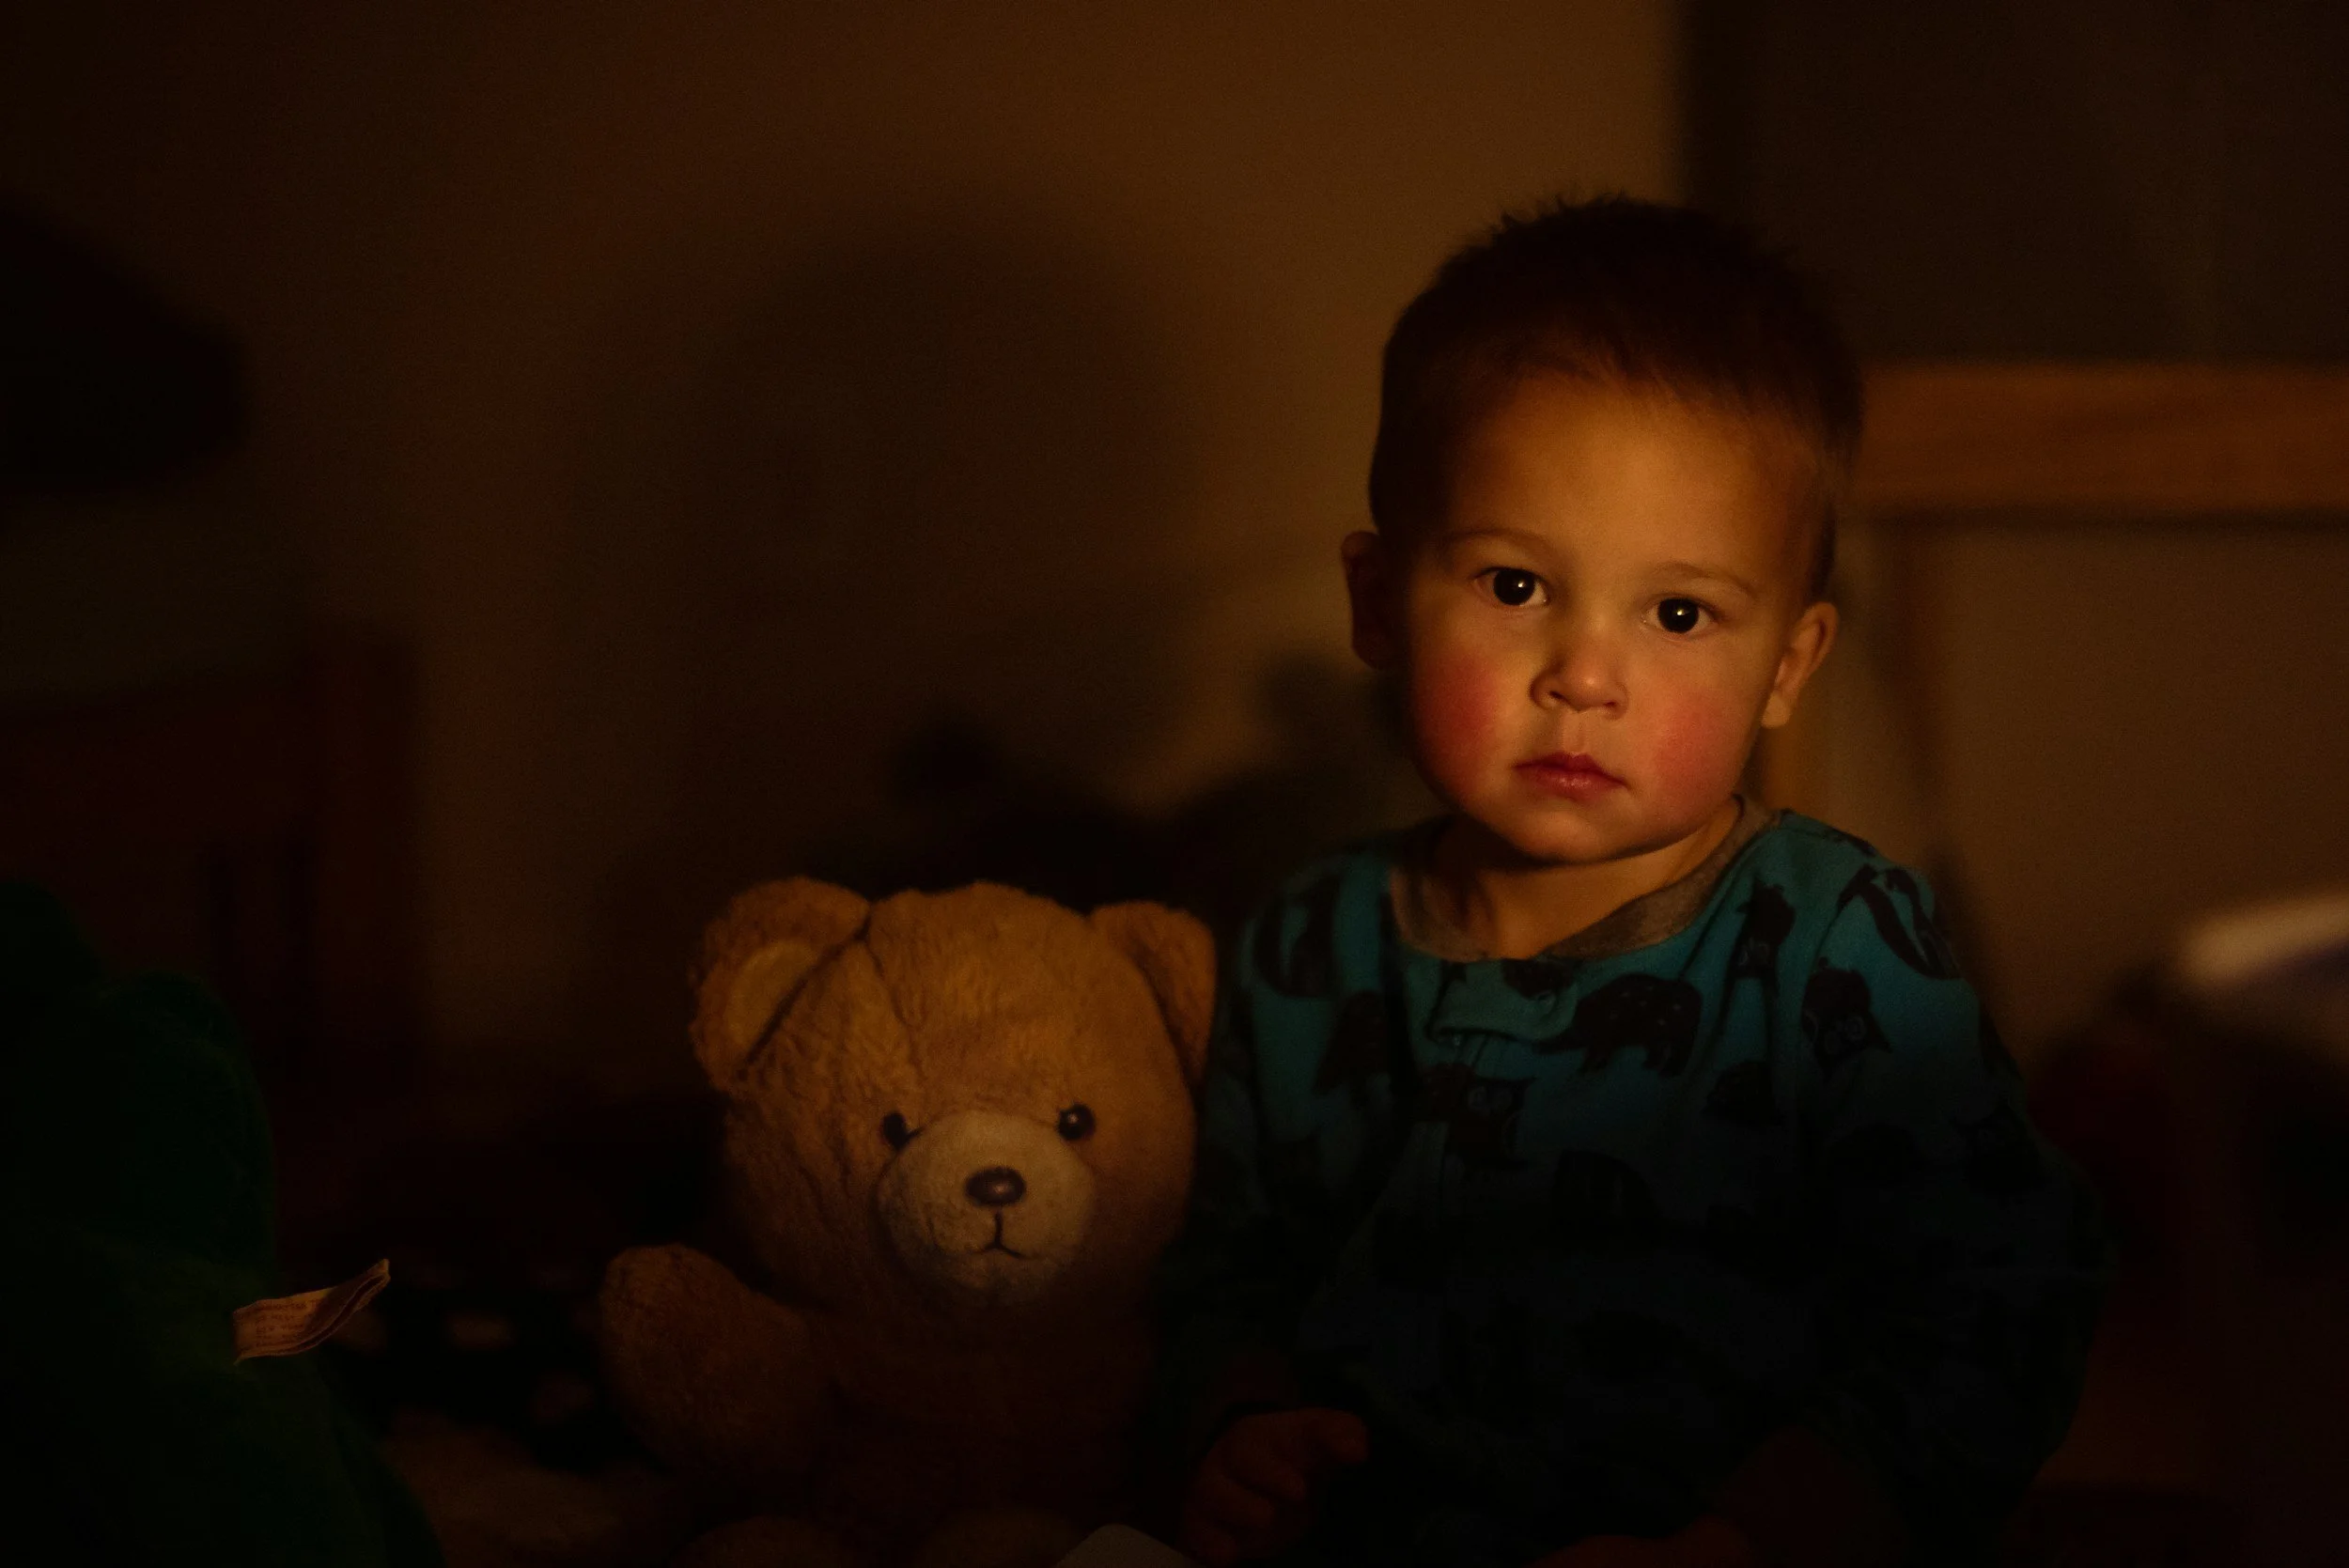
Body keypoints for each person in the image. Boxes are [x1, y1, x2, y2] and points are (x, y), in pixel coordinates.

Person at [1152, 198, 2108, 1568]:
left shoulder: (1833, 942)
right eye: (1513, 583)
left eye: (1677, 614)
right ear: (1376, 604)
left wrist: (1756, 1536)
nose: (1584, 674)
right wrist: (1234, 1425)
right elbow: (1221, 1268)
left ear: (1787, 664)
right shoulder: (1311, 941)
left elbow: (2004, 1295)